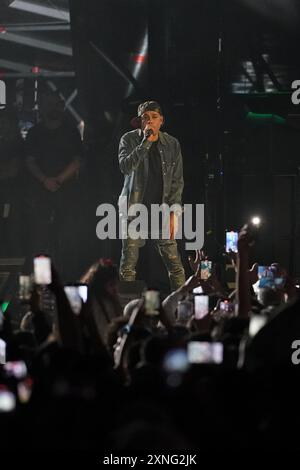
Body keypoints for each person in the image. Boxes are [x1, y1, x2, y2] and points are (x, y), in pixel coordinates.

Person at [118, 101, 185, 291]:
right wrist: (145, 143)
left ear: (161, 121)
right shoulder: (128, 139)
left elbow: (177, 181)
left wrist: (175, 212)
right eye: (145, 118)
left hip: (162, 212)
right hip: (134, 210)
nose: (150, 121)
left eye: (154, 117)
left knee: (175, 265)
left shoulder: (172, 144)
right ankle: (126, 309)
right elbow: (125, 167)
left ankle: (180, 306)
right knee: (128, 265)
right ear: (140, 122)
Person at [25, 91, 83, 280]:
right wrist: (44, 180)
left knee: (67, 238)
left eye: (56, 104)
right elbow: (29, 161)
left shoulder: (70, 130)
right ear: (42, 107)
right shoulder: (35, 133)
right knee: (41, 239)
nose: (53, 108)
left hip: (67, 193)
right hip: (40, 194)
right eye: (49, 104)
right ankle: (43, 281)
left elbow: (78, 160)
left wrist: (58, 180)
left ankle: (67, 279)